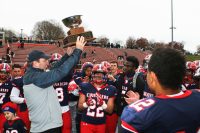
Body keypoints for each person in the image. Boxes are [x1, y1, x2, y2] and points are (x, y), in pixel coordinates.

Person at [121, 48, 200, 132]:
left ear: (152, 77)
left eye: (147, 71)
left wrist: (140, 106)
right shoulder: (197, 96)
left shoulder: (134, 114)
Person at [23, 36, 86, 133]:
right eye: (44, 61)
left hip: (46, 126)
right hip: (46, 128)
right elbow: (60, 71)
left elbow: (53, 68)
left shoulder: (34, 75)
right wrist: (78, 51)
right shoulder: (36, 77)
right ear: (35, 63)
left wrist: (66, 56)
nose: (47, 63)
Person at [78, 64, 117, 133]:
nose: (99, 76)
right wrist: (86, 104)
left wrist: (103, 104)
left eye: (101, 74)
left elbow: (110, 111)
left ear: (105, 75)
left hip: (101, 124)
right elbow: (80, 108)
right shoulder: (85, 86)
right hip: (86, 122)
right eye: (96, 73)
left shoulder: (111, 89)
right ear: (93, 75)